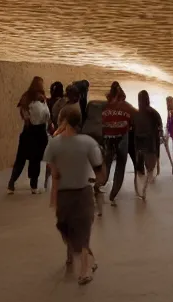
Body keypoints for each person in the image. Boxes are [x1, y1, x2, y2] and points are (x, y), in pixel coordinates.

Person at [44, 103, 103, 285]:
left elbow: (54, 173)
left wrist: (53, 196)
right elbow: (99, 170)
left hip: (66, 194)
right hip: (82, 192)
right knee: (74, 231)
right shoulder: (87, 142)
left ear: (63, 121)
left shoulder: (54, 144)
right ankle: (84, 259)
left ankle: (84, 270)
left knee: (78, 231)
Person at [8, 76, 50, 193]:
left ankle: (11, 184)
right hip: (40, 132)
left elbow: (23, 113)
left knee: (20, 159)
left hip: (27, 131)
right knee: (35, 159)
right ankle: (34, 186)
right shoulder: (42, 98)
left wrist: (27, 119)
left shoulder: (25, 97)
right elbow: (47, 116)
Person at [101, 82, 134, 205]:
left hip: (108, 139)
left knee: (107, 164)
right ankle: (112, 196)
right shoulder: (126, 106)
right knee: (120, 167)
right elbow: (133, 120)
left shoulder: (105, 106)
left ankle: (99, 185)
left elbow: (101, 123)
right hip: (122, 138)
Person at [133, 89, 163, 200]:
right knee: (150, 168)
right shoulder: (153, 112)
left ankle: (141, 189)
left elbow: (132, 129)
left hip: (139, 144)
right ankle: (144, 189)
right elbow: (160, 127)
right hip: (150, 144)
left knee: (140, 168)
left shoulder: (136, 114)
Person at [81, 98, 106, 215]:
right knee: (100, 165)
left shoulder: (90, 105)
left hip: (86, 133)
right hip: (98, 135)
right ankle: (98, 184)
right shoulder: (105, 106)